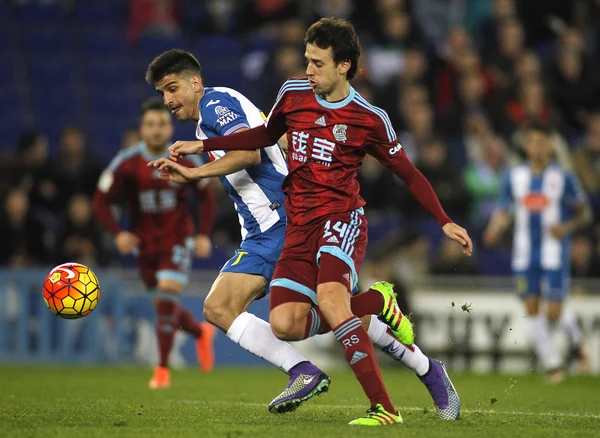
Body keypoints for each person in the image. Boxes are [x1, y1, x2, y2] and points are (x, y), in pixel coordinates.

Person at [149, 18, 471, 426]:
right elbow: (266, 135)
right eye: (307, 61)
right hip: (290, 221)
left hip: (301, 220)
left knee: (310, 307)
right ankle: (406, 347)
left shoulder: (218, 105)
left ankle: (382, 404)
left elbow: (405, 171)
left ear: (345, 65)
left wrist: (443, 219)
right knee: (308, 318)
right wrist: (205, 148)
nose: (308, 70)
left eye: (171, 89)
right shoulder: (293, 93)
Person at [144, 50, 331, 414]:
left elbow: (250, 153)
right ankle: (418, 362)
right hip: (268, 228)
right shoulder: (214, 113)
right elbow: (271, 142)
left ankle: (305, 368)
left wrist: (195, 171)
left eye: (172, 88)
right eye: (161, 93)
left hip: (279, 223)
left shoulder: (216, 104)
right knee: (227, 308)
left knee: (222, 307)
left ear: (195, 83)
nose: (167, 100)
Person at [93, 99, 217, 389]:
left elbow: (207, 196)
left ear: (170, 126)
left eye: (162, 124)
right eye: (150, 124)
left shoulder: (184, 157)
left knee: (165, 301)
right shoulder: (127, 161)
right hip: (144, 244)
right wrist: (117, 233)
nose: (156, 130)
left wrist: (203, 234)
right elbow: (100, 201)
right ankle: (200, 333)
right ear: (142, 128)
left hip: (177, 239)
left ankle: (161, 370)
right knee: (165, 307)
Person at [483, 122, 592, 382]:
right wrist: (494, 228)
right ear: (527, 146)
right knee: (531, 308)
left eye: (542, 142)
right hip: (524, 254)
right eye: (532, 142)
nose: (537, 147)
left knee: (554, 311)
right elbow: (503, 209)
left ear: (550, 146)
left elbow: (584, 212)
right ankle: (554, 366)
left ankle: (578, 345)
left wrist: (566, 228)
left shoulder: (563, 177)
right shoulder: (515, 176)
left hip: (554, 252)